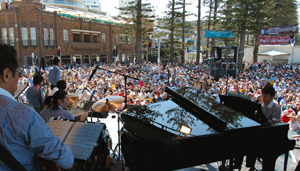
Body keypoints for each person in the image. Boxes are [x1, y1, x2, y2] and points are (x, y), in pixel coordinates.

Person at [0, 44, 74, 170]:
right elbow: (66, 160)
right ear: (7, 74)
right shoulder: (21, 114)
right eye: (18, 72)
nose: (19, 78)